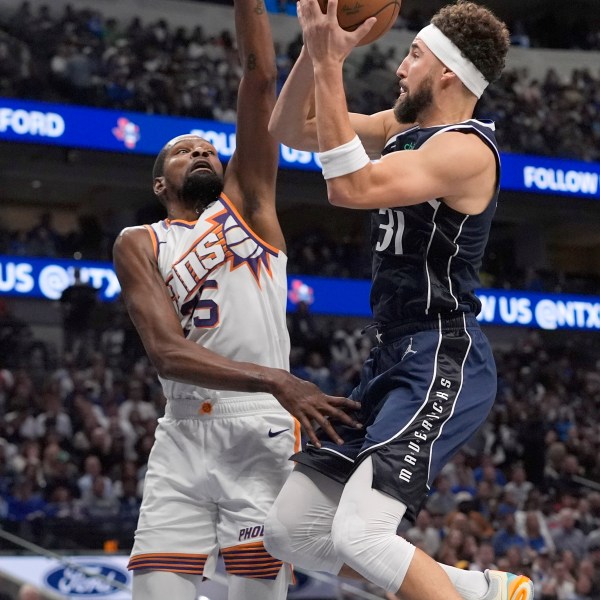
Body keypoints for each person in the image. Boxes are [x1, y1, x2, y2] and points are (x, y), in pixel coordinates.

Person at [263, 1, 534, 599]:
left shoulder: (465, 151)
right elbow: (287, 129)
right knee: (290, 533)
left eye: (413, 54)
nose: (399, 66)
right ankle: (480, 591)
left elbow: (350, 187)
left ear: (447, 74)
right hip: (390, 356)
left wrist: (333, 64)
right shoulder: (402, 128)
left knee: (362, 534)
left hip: (442, 354)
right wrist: (315, 49)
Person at [112, 0, 361, 599]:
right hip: (182, 435)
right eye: (181, 150)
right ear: (159, 182)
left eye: (207, 148)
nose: (199, 152)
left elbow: (259, 78)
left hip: (259, 433)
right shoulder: (139, 242)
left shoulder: (249, 204)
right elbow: (168, 354)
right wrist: (277, 379)